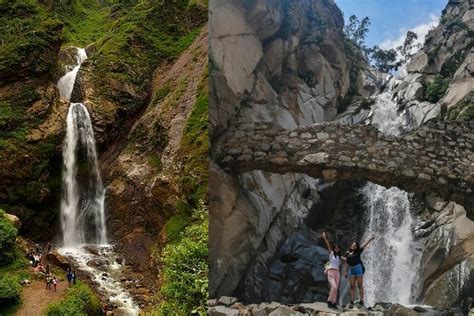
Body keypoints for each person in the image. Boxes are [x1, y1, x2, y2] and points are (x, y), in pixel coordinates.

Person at [342, 236, 375, 308]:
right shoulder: (347, 253)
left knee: (360, 286)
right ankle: (352, 301)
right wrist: (345, 271)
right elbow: (347, 263)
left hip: (358, 269)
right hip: (351, 270)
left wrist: (370, 239)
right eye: (352, 245)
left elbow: (364, 245)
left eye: (355, 245)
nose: (353, 246)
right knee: (352, 286)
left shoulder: (358, 252)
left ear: (356, 247)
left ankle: (361, 301)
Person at [321, 232, 342, 309]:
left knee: (336, 288)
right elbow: (328, 245)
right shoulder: (332, 254)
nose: (336, 249)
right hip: (331, 272)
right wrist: (324, 238)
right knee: (334, 287)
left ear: (339, 249)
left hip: (337, 273)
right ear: (334, 249)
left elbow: (347, 259)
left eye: (338, 248)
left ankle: (333, 302)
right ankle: (329, 301)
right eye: (335, 248)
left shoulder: (339, 257)